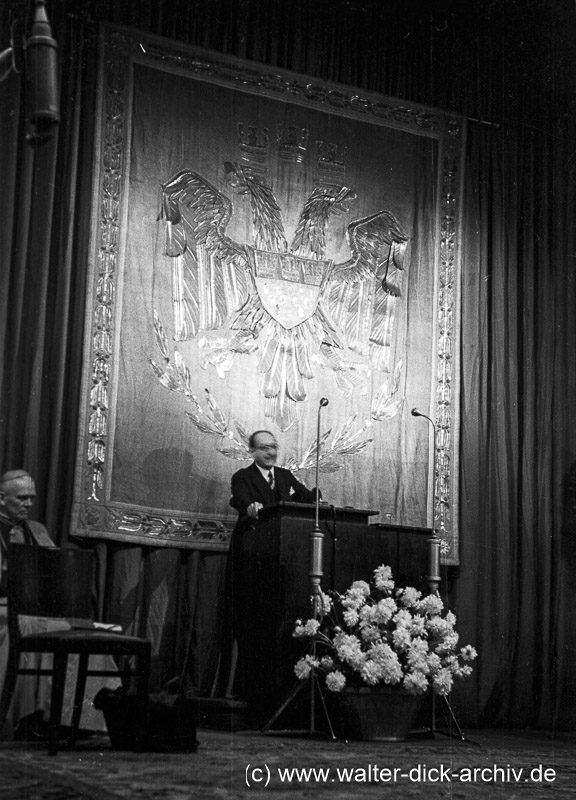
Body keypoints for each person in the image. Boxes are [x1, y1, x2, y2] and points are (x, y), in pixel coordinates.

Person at [0, 470, 120, 740]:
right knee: (30, 625)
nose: (28, 504)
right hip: (4, 606)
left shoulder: (37, 530)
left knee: (80, 628)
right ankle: (32, 716)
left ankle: (73, 717)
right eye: (21, 498)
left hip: (36, 608)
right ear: (1, 498)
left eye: (31, 498)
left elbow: (53, 573)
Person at [224, 431, 320, 722]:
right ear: (252, 451)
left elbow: (305, 498)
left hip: (282, 558)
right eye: (264, 448)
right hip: (253, 555)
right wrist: (250, 507)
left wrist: (315, 495)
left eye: (274, 447)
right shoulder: (242, 476)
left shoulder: (285, 475)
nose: (271, 452)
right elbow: (239, 500)